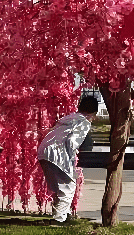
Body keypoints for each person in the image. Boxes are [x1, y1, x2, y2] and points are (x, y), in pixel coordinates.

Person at [37, 95, 99, 224]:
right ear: (94, 112)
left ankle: (64, 214)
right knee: (68, 186)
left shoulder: (69, 118)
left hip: (44, 151)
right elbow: (72, 141)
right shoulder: (83, 122)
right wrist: (72, 157)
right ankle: (59, 220)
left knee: (59, 187)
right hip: (58, 153)